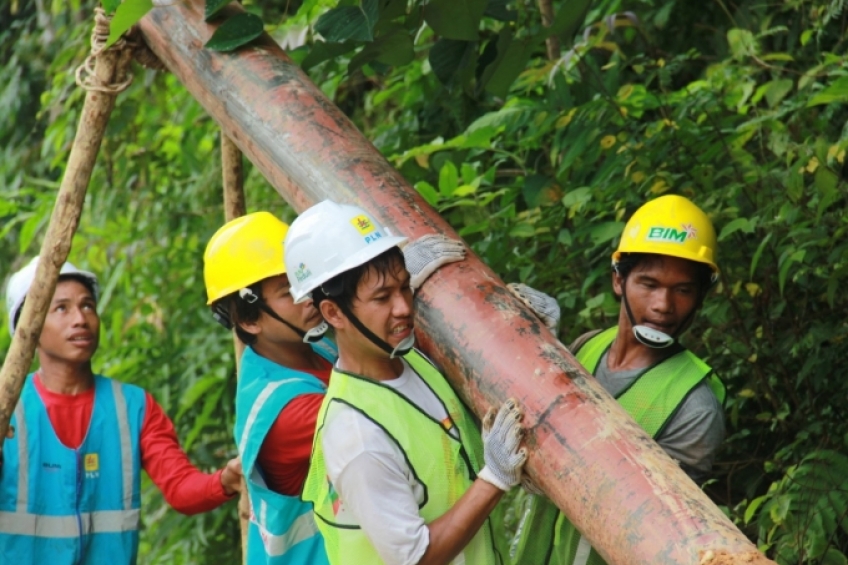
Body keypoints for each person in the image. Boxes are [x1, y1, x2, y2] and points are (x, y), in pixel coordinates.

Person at [284, 200, 528, 565]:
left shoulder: (406, 355)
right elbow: (417, 558)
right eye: (382, 297)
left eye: (404, 288)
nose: (403, 308)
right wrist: (494, 478)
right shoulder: (357, 438)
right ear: (333, 312)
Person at [511, 194, 727, 565]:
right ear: (618, 281)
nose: (663, 305)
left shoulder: (694, 406)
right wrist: (543, 355)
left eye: (683, 290)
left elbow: (658, 527)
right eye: (649, 284)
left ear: (700, 298)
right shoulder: (587, 347)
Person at [0, 256, 242, 564]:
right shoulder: (6, 408)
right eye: (61, 308)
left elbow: (182, 487)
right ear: (29, 327)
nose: (80, 319)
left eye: (87, 305)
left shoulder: (133, 407)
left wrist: (224, 481)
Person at [203, 212, 336, 565]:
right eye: (288, 290)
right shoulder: (286, 411)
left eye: (302, 276)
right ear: (249, 320)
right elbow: (384, 411)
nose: (308, 294)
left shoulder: (307, 346)